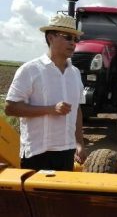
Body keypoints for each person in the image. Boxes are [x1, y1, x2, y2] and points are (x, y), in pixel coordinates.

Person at [5, 14, 87, 171]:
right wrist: (50, 109)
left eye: (75, 39)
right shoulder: (30, 70)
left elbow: (77, 110)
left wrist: (79, 143)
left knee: (61, 196)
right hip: (37, 153)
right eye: (68, 37)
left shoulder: (75, 73)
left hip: (66, 152)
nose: (73, 43)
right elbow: (10, 108)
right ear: (51, 37)